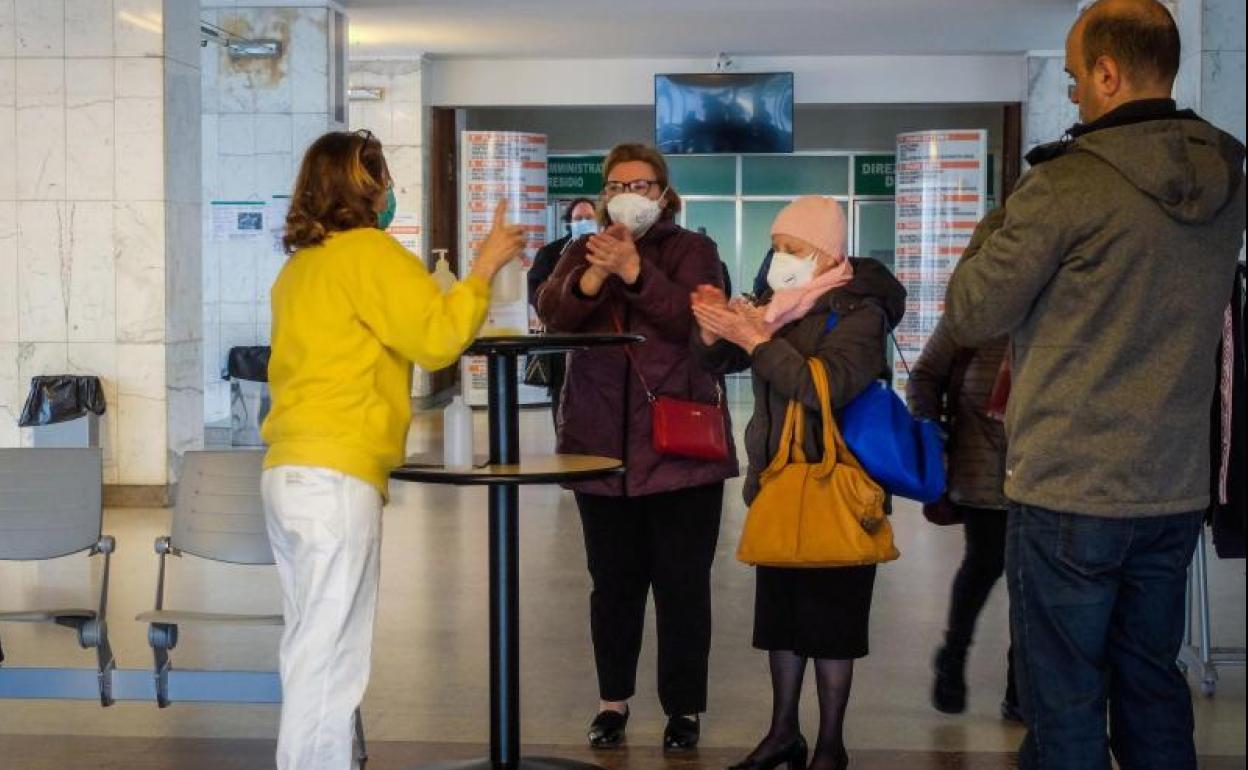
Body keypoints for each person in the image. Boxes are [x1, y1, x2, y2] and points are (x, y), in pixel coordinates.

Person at [942, 2, 1246, 768]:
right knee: (1151, 684)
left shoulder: (1063, 187)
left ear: (1109, 73)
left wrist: (999, 219)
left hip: (1069, 491)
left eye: (1076, 79)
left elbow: (975, 308)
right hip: (1173, 488)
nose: (1072, 94)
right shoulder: (1228, 176)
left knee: (1066, 698)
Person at [260, 129, 526, 770]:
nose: (390, 192)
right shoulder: (370, 254)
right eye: (382, 177)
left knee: (307, 643)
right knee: (331, 657)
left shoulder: (301, 268)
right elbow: (436, 340)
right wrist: (484, 269)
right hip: (335, 474)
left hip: (287, 470)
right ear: (364, 187)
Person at [536, 143, 738, 752]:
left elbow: (698, 324)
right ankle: (612, 702)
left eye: (643, 185)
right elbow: (552, 315)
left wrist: (636, 274)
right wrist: (595, 273)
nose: (631, 194)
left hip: (679, 449)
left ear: (664, 193)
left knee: (682, 585)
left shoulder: (693, 249)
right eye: (619, 184)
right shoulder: (579, 248)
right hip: (600, 447)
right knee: (612, 585)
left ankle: (683, 710)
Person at [691, 196, 906, 770]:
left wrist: (757, 340)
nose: (778, 258)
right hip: (778, 486)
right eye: (777, 246)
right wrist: (716, 332)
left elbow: (825, 386)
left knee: (832, 625)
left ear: (827, 254)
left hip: (841, 487)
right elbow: (719, 366)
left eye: (794, 248)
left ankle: (831, 744)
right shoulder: (774, 305)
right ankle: (783, 731)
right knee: (780, 621)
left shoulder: (859, 311)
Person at [907, 209, 1019, 721]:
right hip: (980, 471)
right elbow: (925, 376)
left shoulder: (1054, 311)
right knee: (985, 566)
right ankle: (952, 657)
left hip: (1044, 472)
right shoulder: (970, 319)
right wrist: (934, 434)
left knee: (1034, 582)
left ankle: (1024, 684)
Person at [528, 198, 599, 422]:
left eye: (589, 218)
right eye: (579, 218)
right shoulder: (551, 253)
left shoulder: (605, 251)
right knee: (563, 399)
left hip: (598, 340)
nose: (584, 222)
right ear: (569, 222)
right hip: (561, 342)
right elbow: (535, 290)